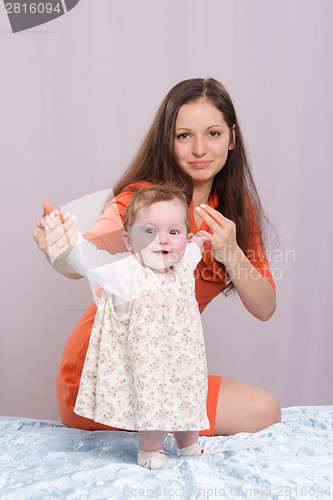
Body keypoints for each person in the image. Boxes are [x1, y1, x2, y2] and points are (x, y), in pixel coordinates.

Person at [33, 77, 280, 445]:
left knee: (266, 411)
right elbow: (90, 250)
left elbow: (265, 307)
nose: (199, 149)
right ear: (168, 140)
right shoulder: (143, 201)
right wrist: (62, 248)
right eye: (183, 136)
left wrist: (231, 253)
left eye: (212, 134)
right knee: (261, 410)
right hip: (104, 373)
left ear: (232, 137)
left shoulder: (235, 209)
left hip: (162, 369)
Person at [64, 185, 214, 469]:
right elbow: (89, 263)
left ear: (185, 236)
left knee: (189, 398)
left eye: (173, 232)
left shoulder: (182, 269)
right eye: (149, 231)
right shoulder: (128, 272)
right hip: (149, 365)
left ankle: (189, 444)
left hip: (184, 362)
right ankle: (150, 450)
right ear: (128, 240)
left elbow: (192, 253)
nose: (162, 240)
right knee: (153, 403)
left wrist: (199, 242)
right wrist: (67, 236)